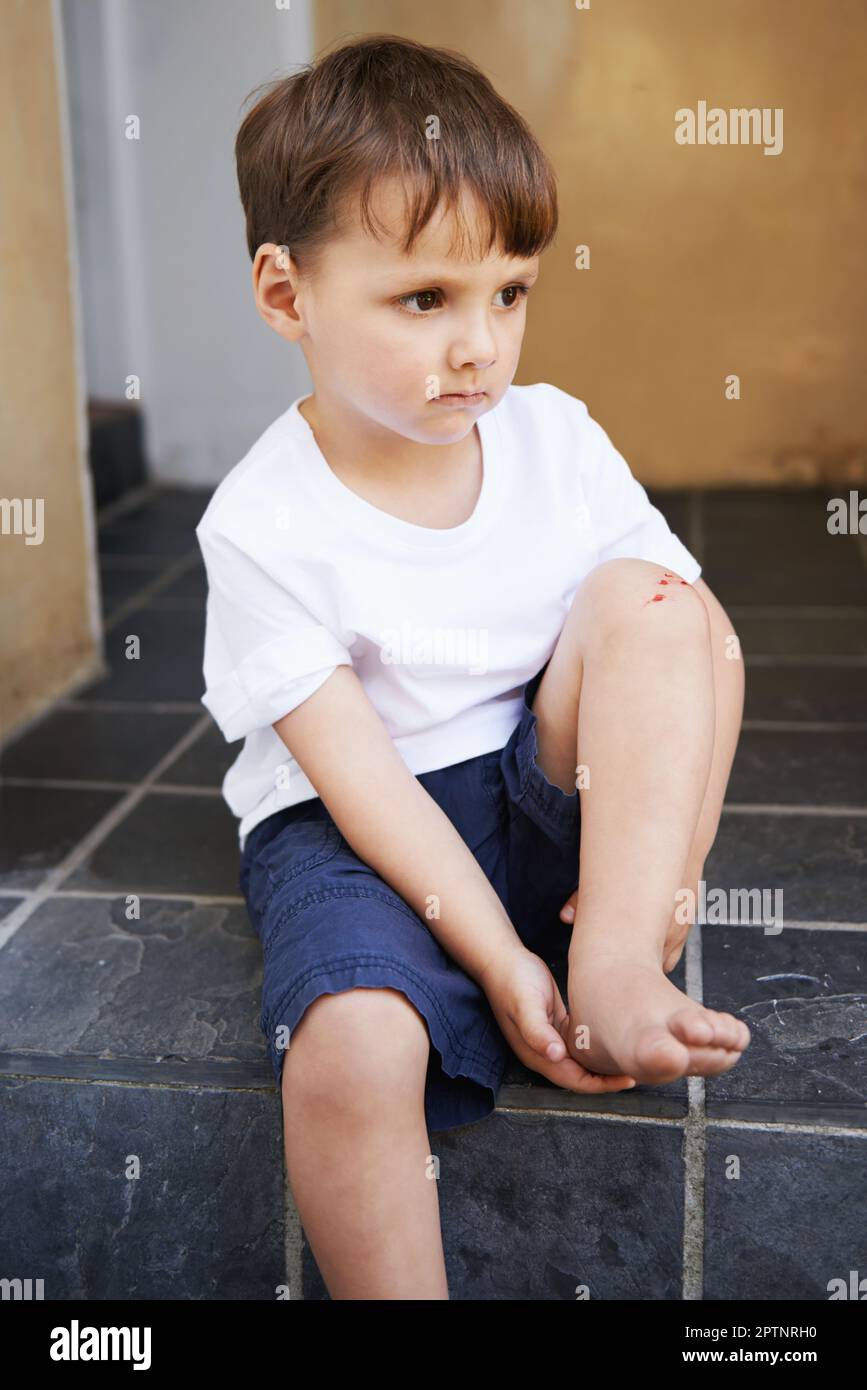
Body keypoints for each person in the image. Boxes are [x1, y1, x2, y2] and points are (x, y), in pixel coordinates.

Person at [195, 34, 750, 1300]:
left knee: (659, 600)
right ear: (287, 296)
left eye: (510, 292)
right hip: (363, 829)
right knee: (347, 1047)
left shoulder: (555, 439)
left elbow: (701, 650)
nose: (482, 347)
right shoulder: (260, 522)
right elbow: (364, 787)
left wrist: (653, 905)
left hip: (535, 786)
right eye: (425, 300)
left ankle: (605, 964)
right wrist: (501, 962)